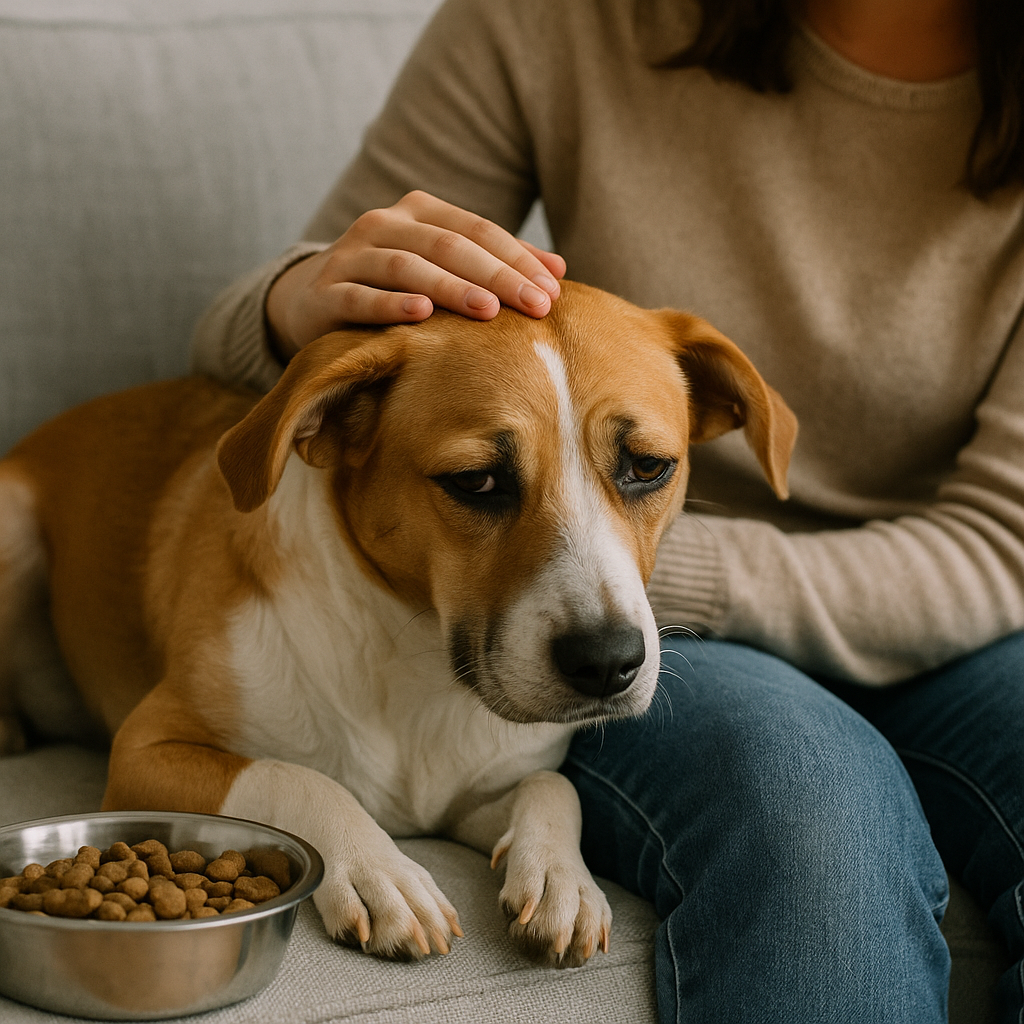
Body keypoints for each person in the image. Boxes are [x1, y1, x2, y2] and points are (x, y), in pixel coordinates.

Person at [191, 0, 1024, 1020]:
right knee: (806, 803)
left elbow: (1002, 545)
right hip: (678, 639)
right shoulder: (556, 17)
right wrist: (300, 295)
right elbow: (301, 328)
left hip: (945, 618)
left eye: (642, 467)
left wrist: (617, 564)